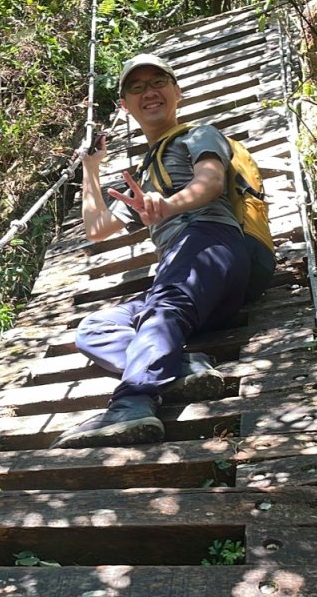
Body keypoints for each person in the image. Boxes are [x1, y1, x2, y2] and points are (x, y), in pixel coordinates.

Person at [51, 53, 253, 449]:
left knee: (163, 308)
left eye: (158, 82)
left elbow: (210, 181)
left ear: (177, 91)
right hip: (184, 285)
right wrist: (91, 169)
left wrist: (170, 205)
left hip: (211, 245)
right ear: (125, 106)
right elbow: (97, 229)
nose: (150, 92)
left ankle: (132, 404)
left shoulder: (199, 135)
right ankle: (180, 365)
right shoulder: (145, 177)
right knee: (94, 329)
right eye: (137, 87)